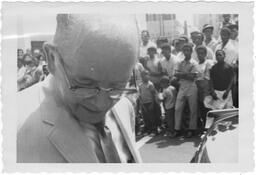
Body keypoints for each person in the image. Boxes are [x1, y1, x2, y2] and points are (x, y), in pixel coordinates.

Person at [17, 14, 142, 163]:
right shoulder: (11, 129)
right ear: (52, 59)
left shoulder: (124, 107)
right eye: (86, 83)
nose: (102, 104)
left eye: (118, 85)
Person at [174, 43, 198, 138]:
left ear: (191, 52)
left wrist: (182, 74)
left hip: (192, 87)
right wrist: (185, 74)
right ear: (183, 52)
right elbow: (176, 74)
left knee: (193, 109)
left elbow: (192, 77)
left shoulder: (194, 62)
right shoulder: (180, 62)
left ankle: (192, 129)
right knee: (177, 108)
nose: (186, 52)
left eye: (188, 50)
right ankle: (177, 129)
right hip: (182, 86)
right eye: (185, 50)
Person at [195, 46, 214, 130]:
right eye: (198, 53)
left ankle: (210, 128)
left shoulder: (208, 62)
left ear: (206, 54)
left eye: (202, 53)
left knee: (208, 108)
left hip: (206, 88)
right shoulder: (196, 64)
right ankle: (205, 127)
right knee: (201, 108)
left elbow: (209, 77)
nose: (200, 55)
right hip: (198, 89)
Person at [138, 70, 159, 136]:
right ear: (142, 77)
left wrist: (152, 104)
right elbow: (140, 95)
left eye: (147, 75)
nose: (146, 77)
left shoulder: (150, 84)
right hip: (143, 104)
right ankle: (148, 130)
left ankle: (154, 130)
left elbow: (153, 95)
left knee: (152, 117)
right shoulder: (140, 85)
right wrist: (141, 103)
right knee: (145, 118)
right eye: (144, 76)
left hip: (150, 103)